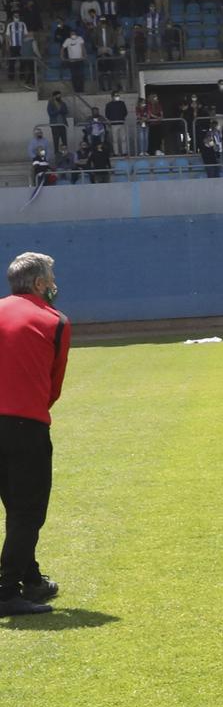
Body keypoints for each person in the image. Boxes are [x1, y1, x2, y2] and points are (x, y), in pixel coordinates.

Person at [0, 253, 70, 617]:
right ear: (40, 284)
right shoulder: (55, 320)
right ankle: (7, 591)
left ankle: (33, 580)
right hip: (25, 424)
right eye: (51, 278)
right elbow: (52, 386)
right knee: (27, 511)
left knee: (15, 507)